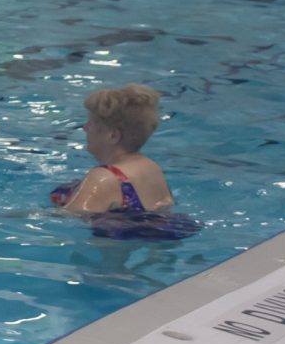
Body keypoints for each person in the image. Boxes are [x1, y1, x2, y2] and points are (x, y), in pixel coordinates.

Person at [50, 83, 199, 239]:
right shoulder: (151, 167)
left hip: (113, 245)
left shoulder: (103, 177)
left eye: (92, 123)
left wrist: (24, 216)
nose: (85, 128)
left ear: (113, 136)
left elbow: (68, 217)